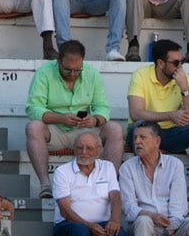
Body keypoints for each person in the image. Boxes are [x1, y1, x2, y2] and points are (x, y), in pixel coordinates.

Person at [24, 39, 124, 201]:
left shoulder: (92, 74)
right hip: (55, 130)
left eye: (77, 70)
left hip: (84, 129)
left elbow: (102, 108)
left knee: (115, 129)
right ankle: (45, 185)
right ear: (58, 61)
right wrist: (61, 118)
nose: (72, 74)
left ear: (83, 62)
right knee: (33, 127)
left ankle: (109, 184)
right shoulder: (44, 73)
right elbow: (33, 109)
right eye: (68, 69)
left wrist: (95, 120)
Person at [127, 39, 189, 196]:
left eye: (182, 62)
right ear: (160, 63)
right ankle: (141, 186)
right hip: (145, 134)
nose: (180, 67)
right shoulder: (141, 75)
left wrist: (184, 88)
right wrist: (170, 115)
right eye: (176, 62)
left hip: (171, 134)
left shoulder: (183, 79)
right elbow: (135, 113)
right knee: (138, 125)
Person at [51, 130, 126, 236]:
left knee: (118, 232)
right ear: (74, 149)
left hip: (100, 226)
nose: (84, 152)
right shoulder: (62, 172)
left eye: (89, 148)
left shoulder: (107, 167)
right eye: (80, 148)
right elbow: (65, 210)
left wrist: (115, 220)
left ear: (99, 150)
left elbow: (115, 196)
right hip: (68, 227)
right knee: (80, 231)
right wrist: (90, 225)